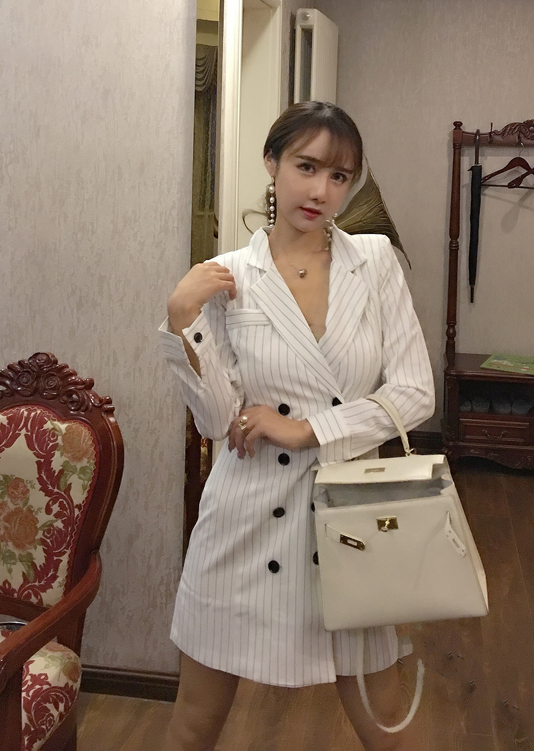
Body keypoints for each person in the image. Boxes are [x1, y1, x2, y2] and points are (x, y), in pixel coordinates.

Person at [159, 101, 434, 751]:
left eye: (339, 176)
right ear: (272, 163)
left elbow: (415, 392)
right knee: (193, 725)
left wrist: (308, 428)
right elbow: (216, 420)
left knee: (387, 727)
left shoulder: (375, 260)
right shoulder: (232, 275)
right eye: (306, 167)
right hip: (245, 520)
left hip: (350, 517)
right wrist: (182, 320)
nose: (320, 191)